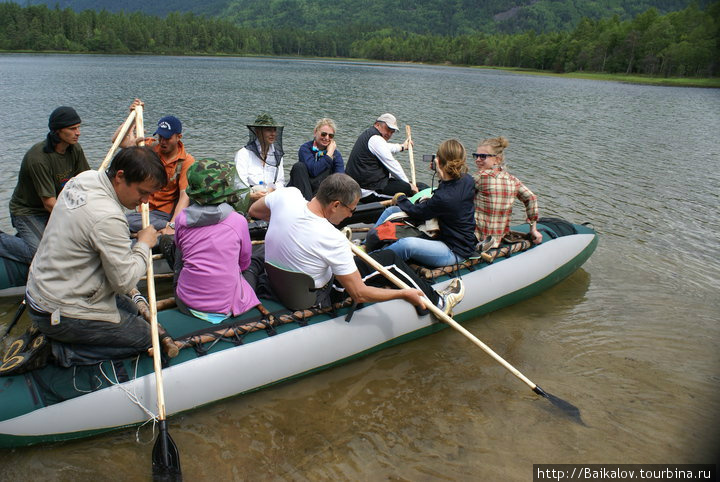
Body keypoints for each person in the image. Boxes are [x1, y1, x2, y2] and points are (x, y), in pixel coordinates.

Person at [24, 147, 177, 367]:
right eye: (142, 192)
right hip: (61, 311)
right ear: (120, 176)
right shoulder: (108, 217)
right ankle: (64, 353)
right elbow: (125, 282)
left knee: (134, 309)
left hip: (42, 293)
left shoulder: (83, 179)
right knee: (147, 336)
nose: (145, 201)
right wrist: (144, 244)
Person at [248, 173, 463, 314]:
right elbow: (359, 293)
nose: (350, 215)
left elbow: (254, 211)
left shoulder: (287, 195)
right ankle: (437, 302)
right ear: (335, 205)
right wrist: (402, 293)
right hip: (315, 295)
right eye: (351, 210)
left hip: (276, 283)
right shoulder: (331, 237)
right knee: (388, 259)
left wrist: (287, 225)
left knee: (358, 259)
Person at [0, 106, 90, 264]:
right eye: (72, 128)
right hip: (28, 212)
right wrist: (78, 219)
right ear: (57, 131)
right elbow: (49, 203)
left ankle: (26, 237)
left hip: (57, 208)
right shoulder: (38, 158)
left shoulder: (74, 149)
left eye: (79, 127)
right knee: (43, 257)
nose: (78, 133)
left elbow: (86, 181)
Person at [173, 158, 258, 323]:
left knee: (179, 251)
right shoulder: (237, 221)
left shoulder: (181, 219)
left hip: (185, 302)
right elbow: (244, 264)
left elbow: (181, 249)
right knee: (252, 266)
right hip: (224, 307)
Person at [371, 139, 477, 267]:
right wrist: (440, 172)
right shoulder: (467, 179)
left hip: (453, 249)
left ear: (438, 161)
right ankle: (369, 243)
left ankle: (372, 260)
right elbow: (449, 187)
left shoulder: (444, 197)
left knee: (407, 245)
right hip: (446, 233)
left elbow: (418, 212)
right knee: (391, 211)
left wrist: (400, 198)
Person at [116, 99, 196, 235]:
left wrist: (172, 225)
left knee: (123, 221)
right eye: (160, 137)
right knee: (119, 221)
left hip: (164, 214)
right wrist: (132, 118)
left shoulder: (186, 161)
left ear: (178, 137)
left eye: (167, 138)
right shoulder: (150, 147)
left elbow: (184, 196)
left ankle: (171, 228)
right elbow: (120, 141)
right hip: (143, 208)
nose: (163, 142)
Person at [473, 136, 542, 248]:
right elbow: (531, 198)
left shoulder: (479, 177)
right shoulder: (513, 180)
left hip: (477, 238)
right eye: (476, 156)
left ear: (497, 159)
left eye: (482, 156)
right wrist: (533, 229)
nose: (477, 159)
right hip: (497, 240)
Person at [345, 113, 426, 203]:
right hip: (366, 191)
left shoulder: (371, 135)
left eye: (392, 131)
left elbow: (386, 147)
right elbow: (392, 164)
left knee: (420, 186)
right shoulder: (376, 139)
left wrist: (403, 146)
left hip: (369, 183)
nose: (389, 134)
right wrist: (409, 186)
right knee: (408, 189)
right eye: (388, 129)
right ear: (377, 124)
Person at [287, 118, 344, 201]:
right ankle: (306, 203)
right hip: (303, 186)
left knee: (335, 177)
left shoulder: (336, 154)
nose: (327, 138)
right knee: (298, 167)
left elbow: (340, 177)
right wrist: (328, 155)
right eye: (323, 134)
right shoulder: (305, 148)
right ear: (315, 132)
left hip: (320, 191)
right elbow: (313, 170)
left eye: (330, 136)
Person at [234, 114, 285, 204]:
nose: (273, 134)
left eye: (274, 130)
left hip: (271, 197)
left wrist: (272, 190)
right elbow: (239, 185)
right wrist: (252, 196)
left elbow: (280, 181)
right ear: (257, 132)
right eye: (268, 130)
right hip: (250, 198)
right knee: (258, 188)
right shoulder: (244, 154)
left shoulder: (277, 155)